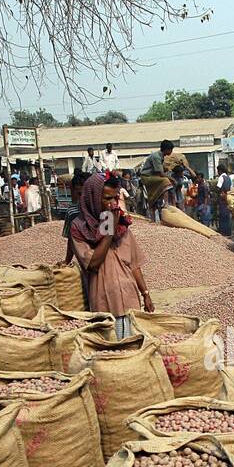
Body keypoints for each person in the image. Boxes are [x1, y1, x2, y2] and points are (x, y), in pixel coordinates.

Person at [68, 174, 152, 338]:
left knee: (131, 348)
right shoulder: (79, 228)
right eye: (107, 198)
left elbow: (134, 264)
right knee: (111, 350)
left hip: (129, 299)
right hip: (104, 301)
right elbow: (93, 263)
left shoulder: (122, 226)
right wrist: (109, 230)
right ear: (93, 197)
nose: (113, 204)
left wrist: (146, 294)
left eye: (115, 197)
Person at [138, 140, 175, 222]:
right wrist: (172, 179)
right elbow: (161, 173)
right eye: (170, 150)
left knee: (154, 197)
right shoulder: (156, 156)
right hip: (147, 177)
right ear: (166, 149)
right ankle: (166, 203)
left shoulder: (161, 157)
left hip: (153, 177)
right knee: (166, 181)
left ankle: (154, 219)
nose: (171, 152)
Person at [215, 164, 234, 237]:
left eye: (218, 171)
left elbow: (218, 187)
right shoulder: (228, 178)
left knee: (222, 214)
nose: (218, 172)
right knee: (227, 214)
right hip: (228, 197)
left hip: (222, 198)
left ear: (220, 170)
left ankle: (222, 231)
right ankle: (228, 231)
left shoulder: (221, 177)